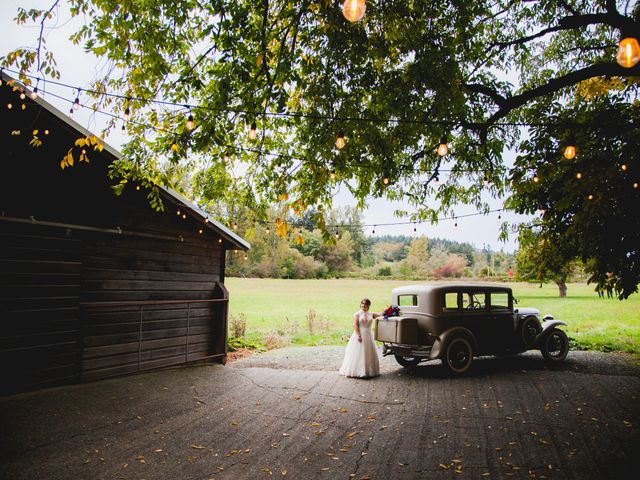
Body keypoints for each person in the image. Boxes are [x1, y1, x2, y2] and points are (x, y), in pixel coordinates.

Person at [339, 298, 380, 378]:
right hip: (359, 334)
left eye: (365, 304)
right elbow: (356, 325)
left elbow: (381, 314)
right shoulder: (357, 314)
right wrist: (359, 335)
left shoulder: (371, 314)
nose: (363, 305)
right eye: (362, 303)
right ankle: (357, 371)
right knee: (357, 353)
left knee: (368, 352)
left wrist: (390, 311)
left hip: (368, 335)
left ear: (368, 305)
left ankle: (368, 371)